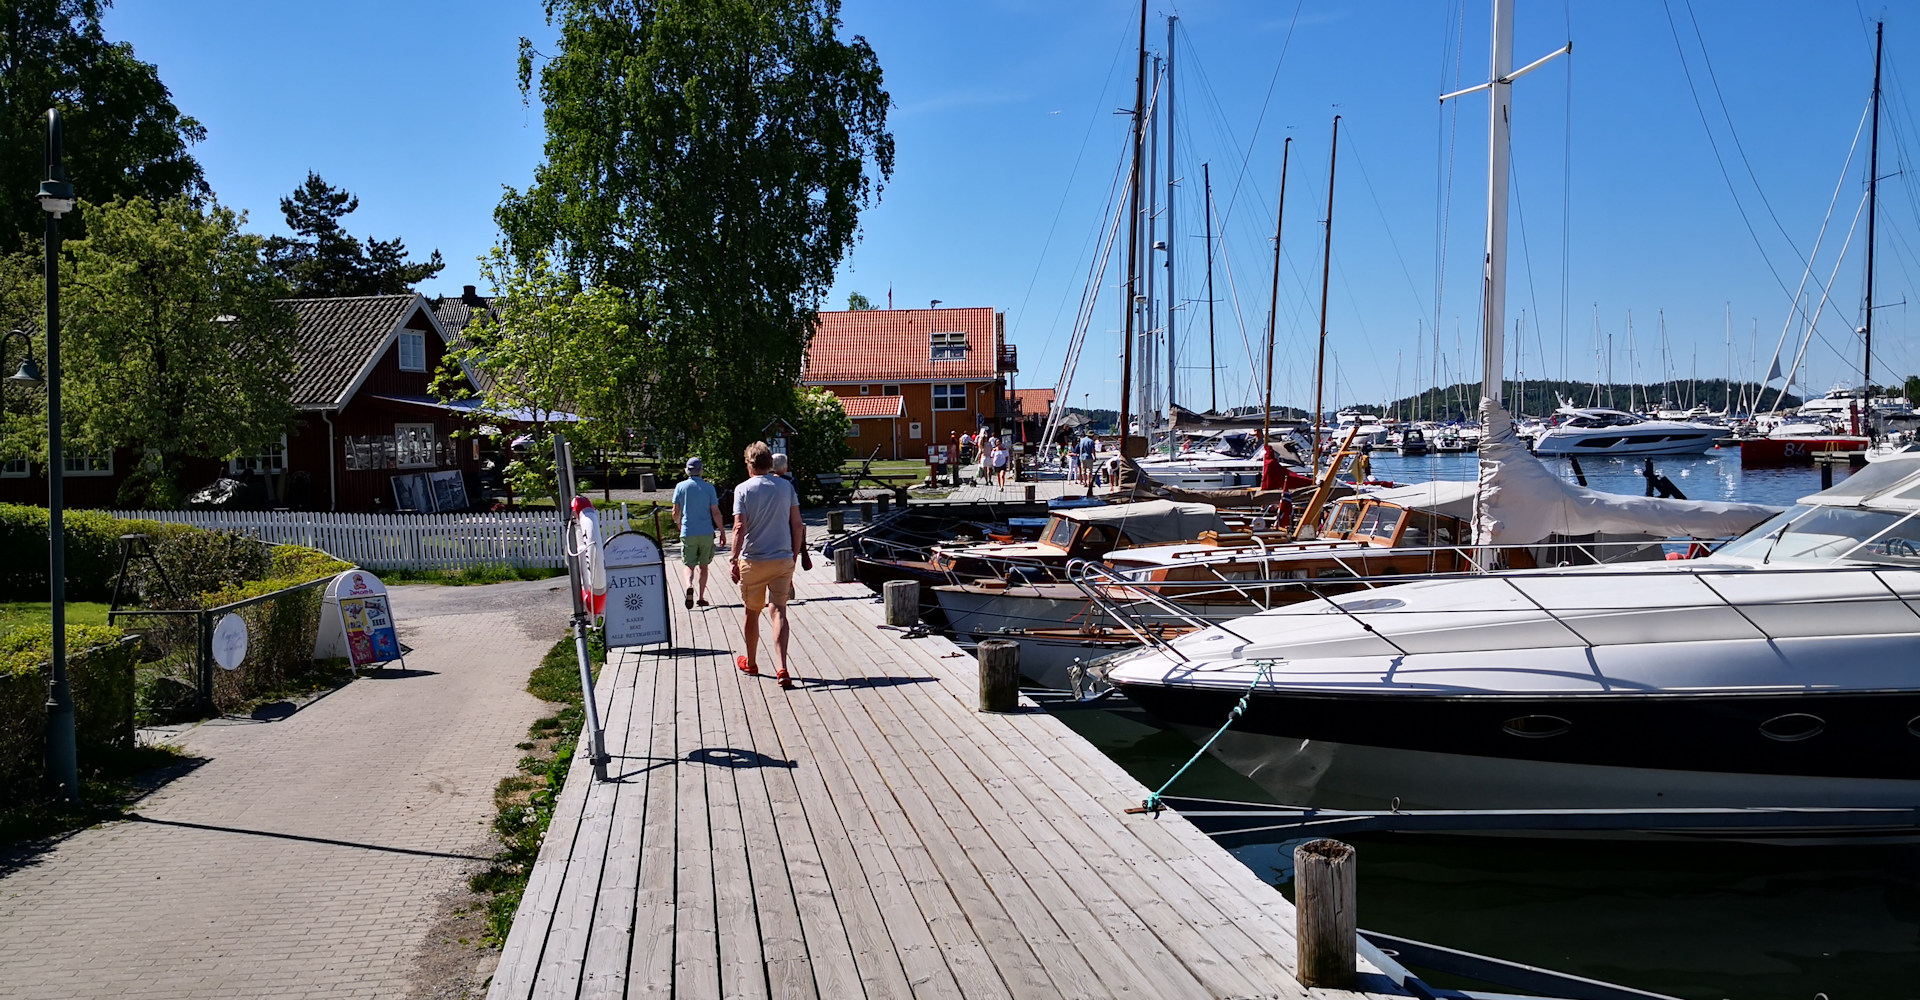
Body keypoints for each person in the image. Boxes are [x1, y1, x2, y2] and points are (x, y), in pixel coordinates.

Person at [730, 441, 811, 689]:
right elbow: (797, 524)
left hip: (753, 559)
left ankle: (752, 662)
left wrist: (733, 560)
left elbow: (739, 527)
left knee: (752, 611)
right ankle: (782, 667)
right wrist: (794, 555)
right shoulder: (786, 488)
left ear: (750, 465)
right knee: (779, 611)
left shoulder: (742, 489)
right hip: (782, 558)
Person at [672, 456, 724, 608]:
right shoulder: (709, 488)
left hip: (688, 530)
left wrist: (678, 523)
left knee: (689, 565)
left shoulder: (680, 487)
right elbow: (715, 512)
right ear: (701, 471)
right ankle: (701, 597)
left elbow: (675, 511)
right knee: (704, 566)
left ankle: (689, 585)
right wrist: (721, 530)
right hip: (706, 531)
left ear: (687, 471)